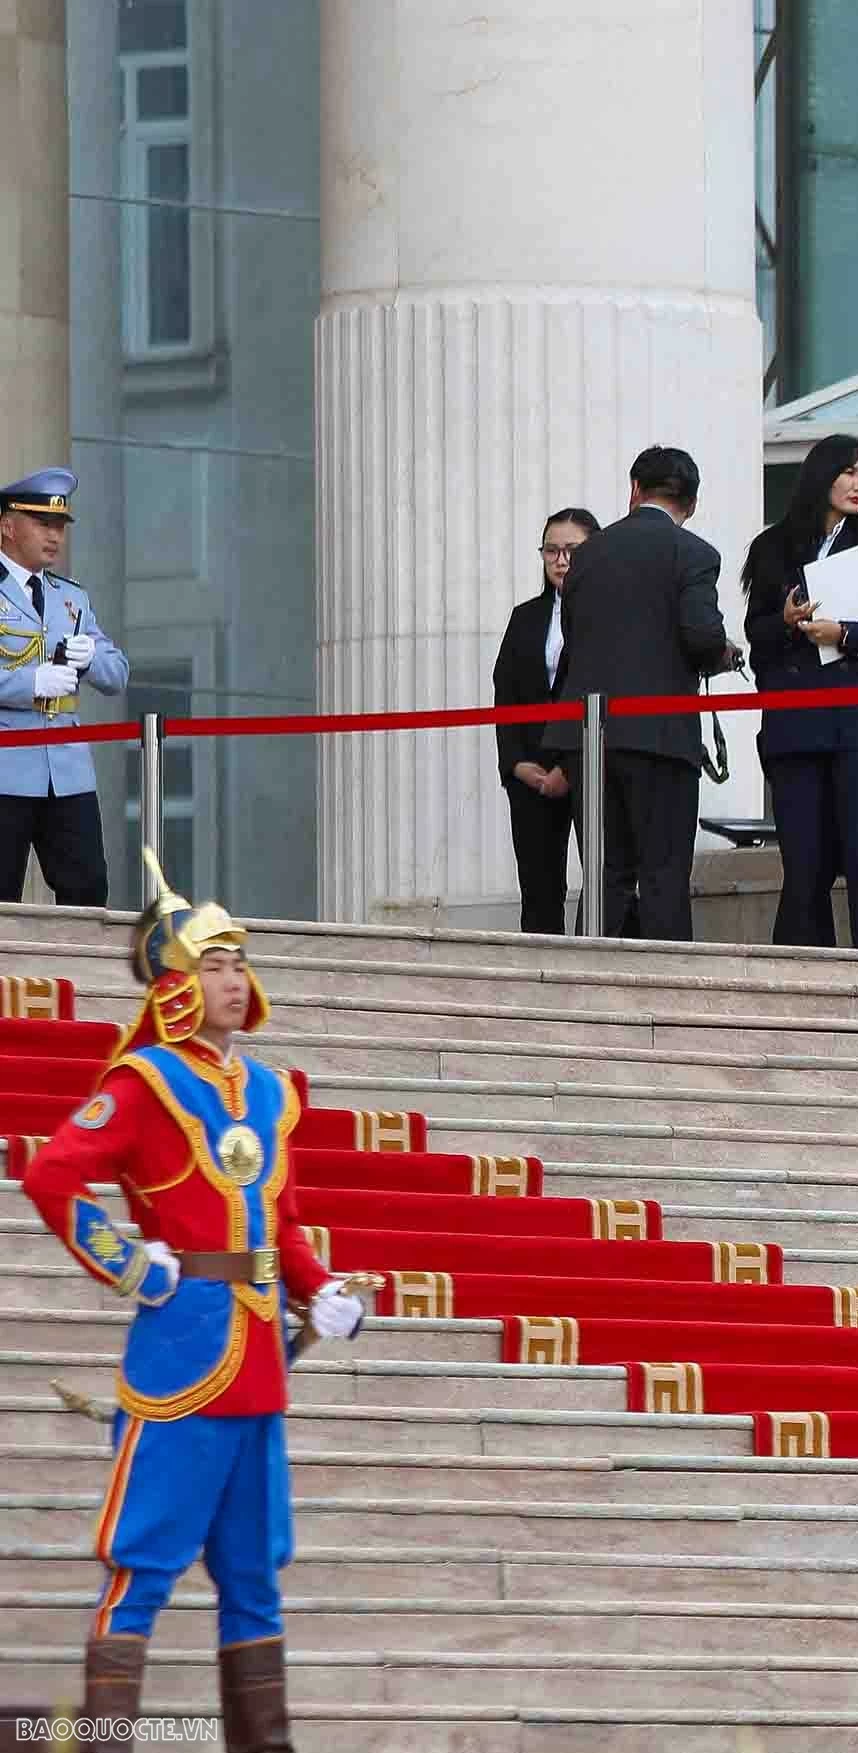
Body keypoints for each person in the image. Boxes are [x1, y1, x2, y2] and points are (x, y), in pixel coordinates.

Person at [17, 861, 370, 1745]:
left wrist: (318, 1287)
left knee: (254, 1573)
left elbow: (282, 1220)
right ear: (176, 981)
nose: (232, 977)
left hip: (258, 1364)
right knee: (142, 1565)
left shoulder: (271, 1091)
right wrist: (134, 1267)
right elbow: (52, 1172)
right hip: (183, 1353)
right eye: (214, 962)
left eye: (239, 960)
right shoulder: (143, 1082)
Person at [543, 446, 742, 941]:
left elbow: (574, 632)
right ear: (691, 504)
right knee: (662, 874)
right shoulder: (694, 553)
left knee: (605, 873)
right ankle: (665, 991)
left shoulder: (586, 555)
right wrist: (722, 654)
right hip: (660, 734)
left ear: (635, 490)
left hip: (589, 734)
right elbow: (701, 635)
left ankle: (585, 987)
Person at [743, 435, 858, 950]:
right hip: (796, 723)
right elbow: (755, 634)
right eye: (850, 472)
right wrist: (785, 621)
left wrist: (844, 634)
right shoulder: (773, 546)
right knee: (803, 859)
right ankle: (803, 968)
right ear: (822, 475)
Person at [0, 468, 127, 907]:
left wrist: (91, 658)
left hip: (67, 771)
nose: (54, 536)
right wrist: (28, 683)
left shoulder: (71, 597)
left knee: (88, 891)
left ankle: (74, 979)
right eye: (43, 524)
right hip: (6, 768)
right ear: (8, 525)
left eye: (59, 527)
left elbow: (117, 674)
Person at [491, 509, 596, 933]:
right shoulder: (526, 616)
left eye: (572, 549)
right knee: (539, 890)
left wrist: (568, 768)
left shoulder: (608, 618)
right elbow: (506, 690)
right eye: (551, 550)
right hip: (531, 771)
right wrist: (516, 763)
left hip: (589, 768)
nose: (561, 559)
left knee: (605, 884)